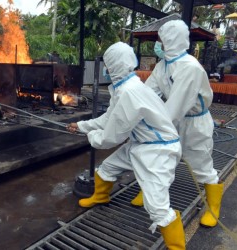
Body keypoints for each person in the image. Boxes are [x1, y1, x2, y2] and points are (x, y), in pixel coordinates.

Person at [67, 42, 185, 249]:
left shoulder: (130, 93)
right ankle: (100, 197)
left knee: (157, 208)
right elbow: (108, 118)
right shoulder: (125, 88)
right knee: (107, 168)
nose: (105, 69)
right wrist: (81, 126)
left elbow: (111, 137)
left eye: (107, 64)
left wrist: (91, 137)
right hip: (142, 144)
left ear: (112, 66)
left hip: (157, 151)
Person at [131, 20, 224, 228]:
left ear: (170, 40)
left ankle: (213, 207)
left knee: (201, 164)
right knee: (159, 158)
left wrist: (146, 126)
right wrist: (129, 109)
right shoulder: (163, 65)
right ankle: (149, 192)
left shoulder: (189, 67)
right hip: (172, 118)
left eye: (161, 40)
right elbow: (148, 92)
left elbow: (176, 106)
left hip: (193, 122)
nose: (159, 44)